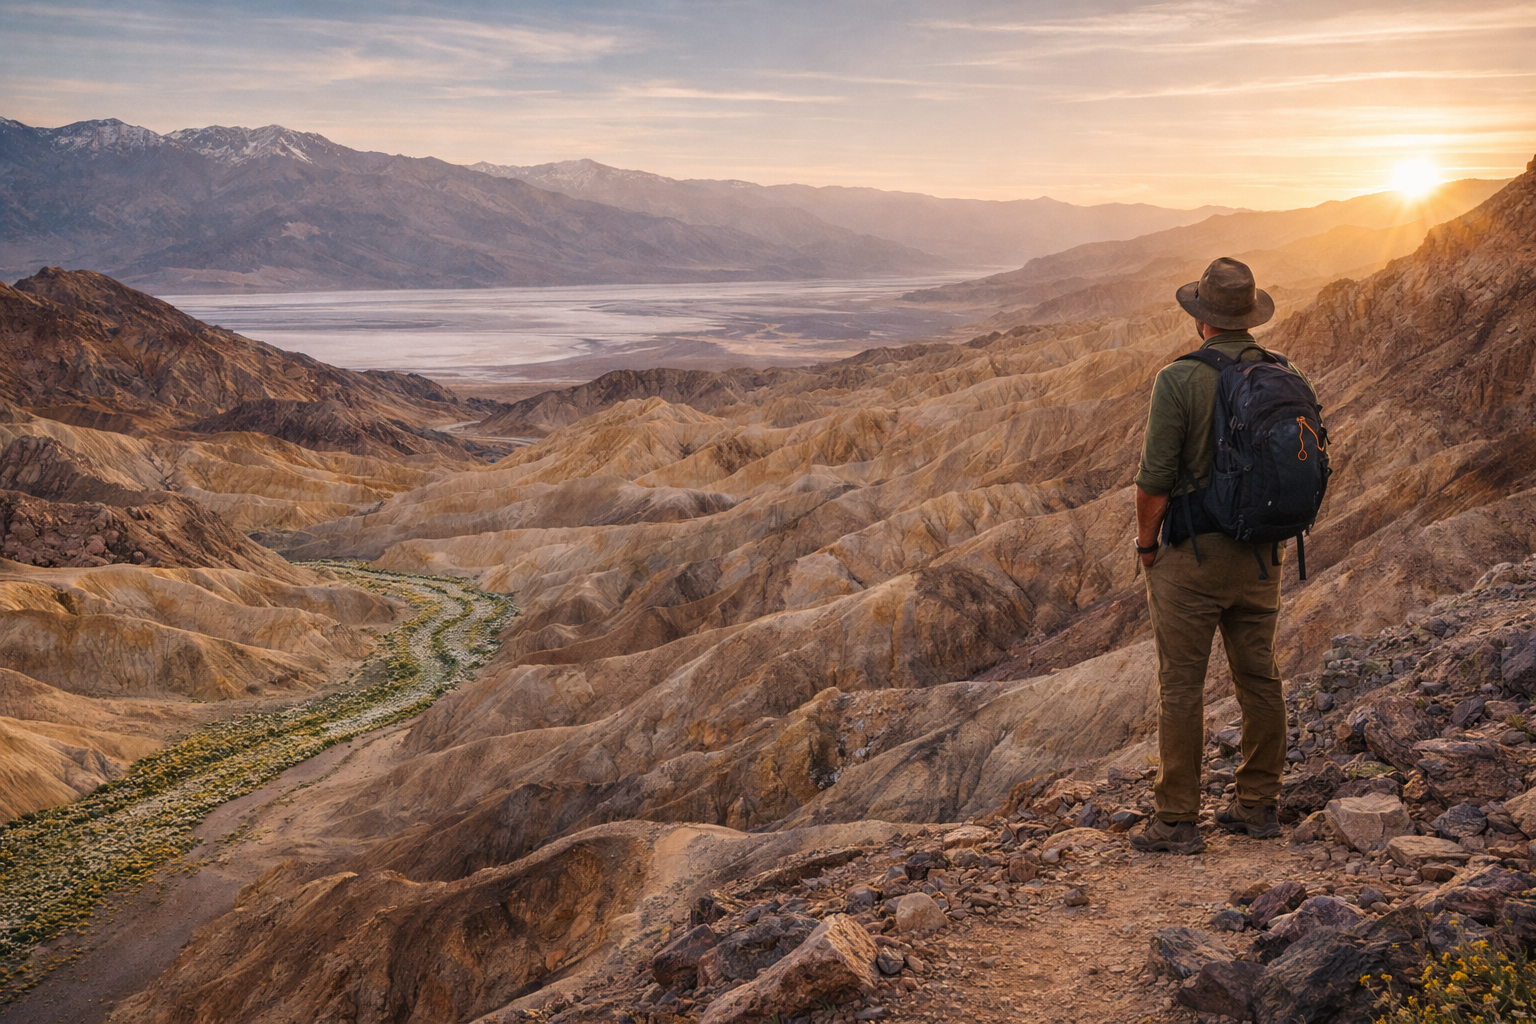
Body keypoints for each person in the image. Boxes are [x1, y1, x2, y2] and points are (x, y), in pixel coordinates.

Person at [1129, 257, 1318, 855]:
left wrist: (1145, 545)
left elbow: (1154, 481)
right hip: (1263, 556)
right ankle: (1259, 805)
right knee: (1259, 676)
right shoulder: (1286, 374)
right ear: (1248, 317)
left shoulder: (1178, 379)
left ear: (1201, 319)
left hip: (1193, 559)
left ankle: (1177, 819)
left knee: (1181, 686)